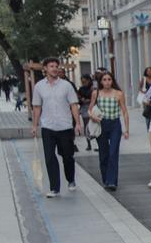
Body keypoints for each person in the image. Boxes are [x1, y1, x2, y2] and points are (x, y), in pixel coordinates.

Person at [31, 56, 83, 198]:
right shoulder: (39, 87)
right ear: (45, 69)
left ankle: (70, 179)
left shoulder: (66, 86)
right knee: (49, 157)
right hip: (48, 126)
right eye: (51, 66)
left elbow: (73, 105)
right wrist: (35, 126)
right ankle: (55, 188)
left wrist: (77, 123)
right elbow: (36, 107)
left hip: (65, 126)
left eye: (56, 66)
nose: (54, 68)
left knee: (67, 156)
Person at [89, 71, 129, 191]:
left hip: (115, 125)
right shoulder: (96, 93)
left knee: (113, 153)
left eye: (109, 79)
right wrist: (92, 117)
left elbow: (125, 111)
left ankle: (112, 181)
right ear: (101, 81)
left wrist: (127, 129)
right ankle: (106, 179)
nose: (107, 82)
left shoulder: (119, 94)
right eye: (104, 80)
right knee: (103, 154)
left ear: (112, 81)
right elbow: (89, 110)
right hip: (101, 124)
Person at [77, 75, 95, 151]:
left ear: (89, 80)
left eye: (85, 81)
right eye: (82, 82)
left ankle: (97, 144)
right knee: (86, 126)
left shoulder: (93, 88)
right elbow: (78, 97)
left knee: (95, 126)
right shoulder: (81, 89)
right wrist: (81, 99)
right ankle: (89, 144)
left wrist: (89, 100)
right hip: (85, 108)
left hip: (93, 107)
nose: (83, 83)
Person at [138, 66, 151, 130]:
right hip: (146, 98)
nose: (149, 72)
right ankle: (148, 128)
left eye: (150, 71)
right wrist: (143, 91)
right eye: (148, 71)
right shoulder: (144, 79)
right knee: (147, 112)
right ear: (146, 72)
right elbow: (140, 88)